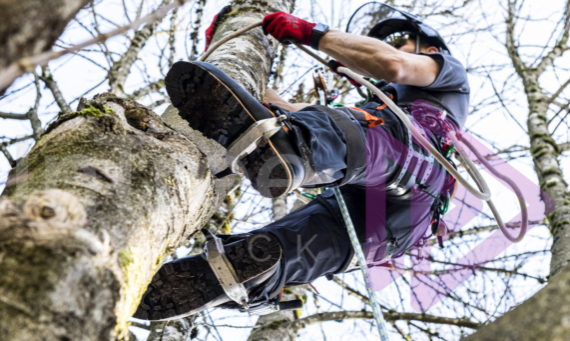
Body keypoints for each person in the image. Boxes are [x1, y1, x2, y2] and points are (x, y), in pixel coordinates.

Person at [133, 4, 470, 321]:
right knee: (286, 245)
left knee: (352, 130)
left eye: (399, 40)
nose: (390, 45)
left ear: (429, 48)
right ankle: (244, 278)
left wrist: (313, 32)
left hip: (418, 160)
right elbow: (281, 110)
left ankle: (292, 149)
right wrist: (231, 65)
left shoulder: (447, 72)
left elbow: (393, 65)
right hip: (400, 226)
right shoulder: (379, 110)